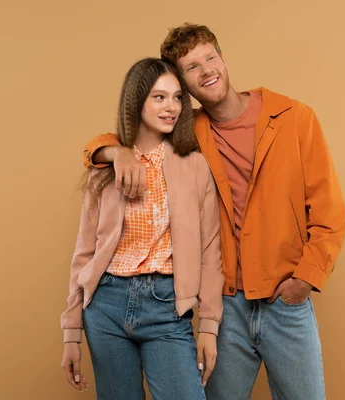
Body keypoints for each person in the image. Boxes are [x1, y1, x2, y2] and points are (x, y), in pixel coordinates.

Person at [81, 24, 345, 400]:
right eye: (191, 67)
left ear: (223, 59)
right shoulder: (188, 132)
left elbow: (330, 212)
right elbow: (127, 132)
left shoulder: (293, 117)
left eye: (210, 57)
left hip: (285, 300)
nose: (206, 70)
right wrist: (113, 152)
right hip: (224, 306)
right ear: (183, 84)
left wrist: (305, 279)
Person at [60, 57, 223, 400]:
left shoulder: (194, 166)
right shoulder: (105, 168)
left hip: (166, 307)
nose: (172, 107)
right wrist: (71, 331)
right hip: (105, 305)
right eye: (159, 97)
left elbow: (210, 252)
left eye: (178, 97)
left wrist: (209, 325)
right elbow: (84, 254)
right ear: (137, 101)